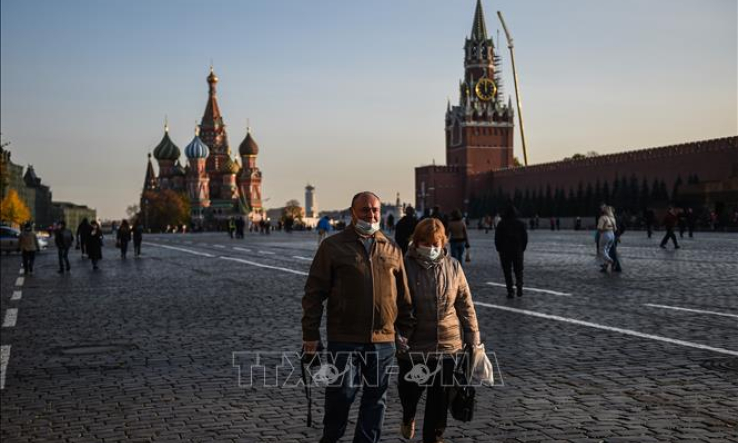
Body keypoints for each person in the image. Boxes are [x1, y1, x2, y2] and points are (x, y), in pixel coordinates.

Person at [302, 191, 415, 443]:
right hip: (345, 338)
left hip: (383, 340)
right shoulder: (332, 246)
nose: (371, 215)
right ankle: (331, 437)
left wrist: (405, 330)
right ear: (353, 213)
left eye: (375, 210)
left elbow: (404, 295)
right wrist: (310, 334)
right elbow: (313, 293)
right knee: (341, 395)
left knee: (376, 400)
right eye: (365, 210)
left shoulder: (392, 247)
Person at [398, 217, 481, 442]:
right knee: (410, 392)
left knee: (439, 400)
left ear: (444, 242)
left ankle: (434, 437)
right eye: (426, 243)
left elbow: (465, 303)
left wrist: (472, 336)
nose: (432, 248)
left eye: (437, 243)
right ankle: (408, 415)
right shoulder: (404, 266)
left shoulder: (453, 266)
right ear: (416, 241)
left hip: (447, 345)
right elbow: (393, 304)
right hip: (413, 345)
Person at [495, 204, 528, 298]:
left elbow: (497, 237)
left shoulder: (501, 223)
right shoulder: (521, 223)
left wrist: (499, 248)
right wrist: (522, 248)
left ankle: (510, 291)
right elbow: (525, 237)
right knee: (519, 270)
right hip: (517, 250)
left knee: (507, 272)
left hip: (505, 251)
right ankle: (519, 286)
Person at [597, 206, 617, 273]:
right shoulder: (612, 218)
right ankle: (606, 265)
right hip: (612, 235)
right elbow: (615, 229)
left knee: (601, 250)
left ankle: (610, 260)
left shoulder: (602, 218)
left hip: (605, 234)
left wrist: (600, 234)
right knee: (607, 250)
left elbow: (599, 228)